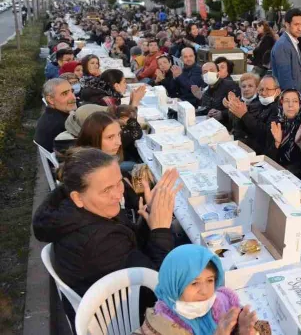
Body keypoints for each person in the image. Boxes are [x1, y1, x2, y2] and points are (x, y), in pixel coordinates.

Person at [33, 148, 180, 298]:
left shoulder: (76, 212)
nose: (118, 194)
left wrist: (151, 213)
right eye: (107, 189)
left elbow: (131, 242)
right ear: (77, 197)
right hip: (127, 313)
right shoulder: (99, 241)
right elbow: (159, 288)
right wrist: (160, 230)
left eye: (119, 183)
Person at [136, 244, 259, 335]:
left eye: (210, 280)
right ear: (174, 285)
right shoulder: (160, 326)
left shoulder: (222, 305)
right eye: (194, 283)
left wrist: (240, 332)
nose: (205, 291)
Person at [74, 112, 140, 210]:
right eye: (110, 137)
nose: (119, 142)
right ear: (93, 138)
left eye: (119, 135)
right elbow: (134, 203)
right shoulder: (95, 172)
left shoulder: (91, 159)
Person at [225, 75, 280, 155]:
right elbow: (241, 128)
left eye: (268, 89)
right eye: (261, 90)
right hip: (245, 148)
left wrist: (244, 115)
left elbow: (266, 134)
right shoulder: (256, 104)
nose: (264, 93)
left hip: (261, 154)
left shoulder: (279, 109)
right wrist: (234, 110)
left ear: (277, 91)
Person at [266, 89, 301, 180]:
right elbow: (268, 158)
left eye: (295, 101)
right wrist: (276, 143)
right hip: (275, 173)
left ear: (300, 105)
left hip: (299, 176)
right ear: (281, 104)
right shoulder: (275, 124)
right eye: (286, 101)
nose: (290, 105)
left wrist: (300, 143)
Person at [271, 8, 301, 95]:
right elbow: (285, 79)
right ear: (287, 25)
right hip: (290, 101)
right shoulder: (283, 45)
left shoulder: (292, 42)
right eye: (296, 24)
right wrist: (293, 100)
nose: (300, 28)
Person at [36, 78, 78, 152]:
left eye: (72, 91)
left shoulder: (50, 116)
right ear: (50, 100)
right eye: (65, 94)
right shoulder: (61, 125)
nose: (73, 97)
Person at [82, 69, 146, 111]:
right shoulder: (108, 101)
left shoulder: (103, 92)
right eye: (124, 82)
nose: (126, 85)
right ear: (116, 86)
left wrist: (132, 102)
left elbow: (123, 115)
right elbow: (123, 123)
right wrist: (135, 102)